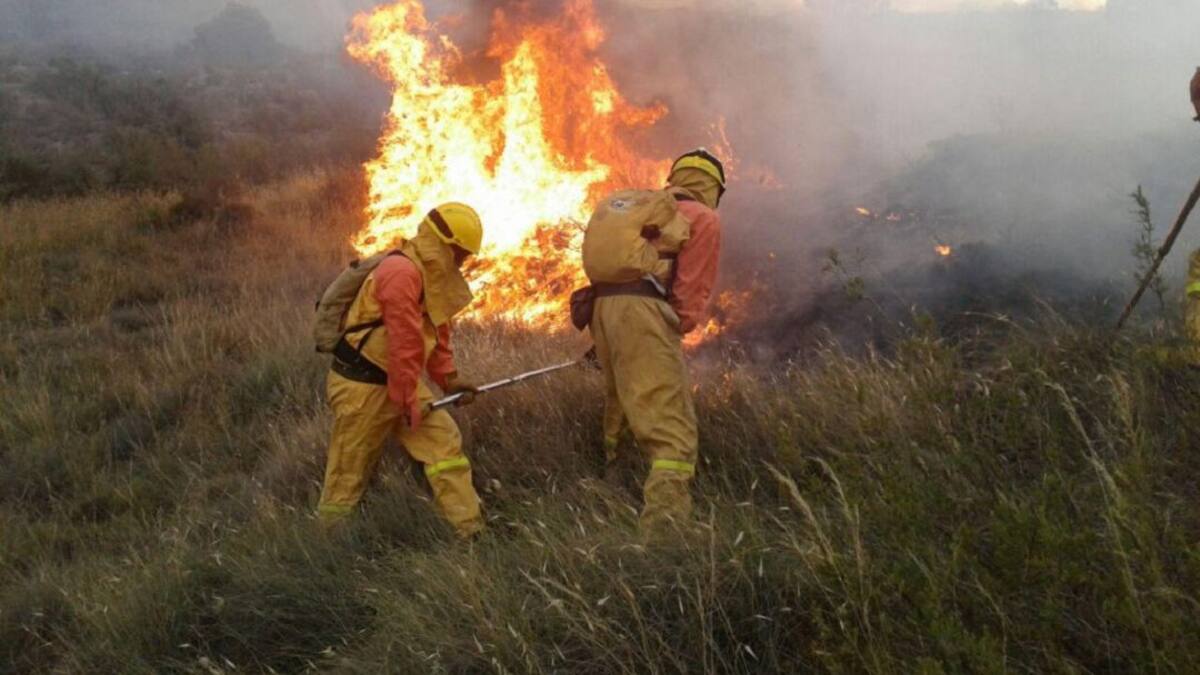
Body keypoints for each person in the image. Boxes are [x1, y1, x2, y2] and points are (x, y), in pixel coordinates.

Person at [317, 203, 485, 537]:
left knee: (443, 445)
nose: (463, 261)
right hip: (362, 386)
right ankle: (328, 539)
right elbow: (405, 342)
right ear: (443, 244)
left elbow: (435, 331)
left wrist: (448, 379)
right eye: (461, 253)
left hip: (397, 381)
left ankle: (470, 532)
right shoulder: (401, 272)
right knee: (349, 470)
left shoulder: (432, 277)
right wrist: (408, 400)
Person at [583, 148, 725, 533]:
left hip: (604, 308)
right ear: (713, 187)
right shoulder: (702, 217)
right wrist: (673, 326)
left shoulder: (645, 207)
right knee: (671, 428)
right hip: (643, 314)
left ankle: (614, 488)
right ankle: (664, 534)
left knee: (622, 403)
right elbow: (691, 286)